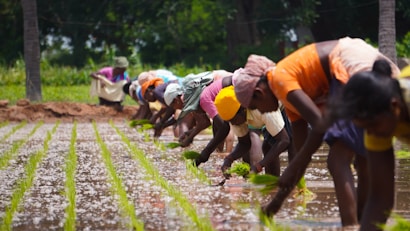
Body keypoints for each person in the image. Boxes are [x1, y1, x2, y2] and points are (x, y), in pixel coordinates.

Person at [232, 37, 400, 228]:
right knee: (360, 157)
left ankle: (350, 225)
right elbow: (302, 150)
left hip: (349, 64)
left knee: (338, 159)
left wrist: (290, 172)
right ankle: (361, 222)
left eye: (255, 107)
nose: (260, 112)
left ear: (259, 92)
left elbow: (319, 126)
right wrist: (277, 201)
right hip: (358, 61)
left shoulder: (279, 80)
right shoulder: (289, 98)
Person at [328, 61, 408, 231]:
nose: (369, 134)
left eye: (372, 126)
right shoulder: (377, 123)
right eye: (364, 128)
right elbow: (380, 197)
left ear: (394, 107)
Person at [214, 83, 295, 177]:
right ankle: (273, 184)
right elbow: (244, 143)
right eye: (229, 121)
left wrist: (259, 165)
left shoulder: (262, 108)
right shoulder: (236, 116)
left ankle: (295, 182)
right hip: (272, 104)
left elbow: (284, 140)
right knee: (267, 147)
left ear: (243, 110)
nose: (233, 124)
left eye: (233, 120)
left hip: (286, 98)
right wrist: (228, 159)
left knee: (292, 145)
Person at [164, 70, 235, 164]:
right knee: (218, 125)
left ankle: (227, 153)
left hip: (225, 81)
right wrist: (190, 136)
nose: (174, 109)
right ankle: (221, 156)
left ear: (176, 100)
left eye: (172, 106)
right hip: (225, 84)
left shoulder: (199, 99)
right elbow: (204, 122)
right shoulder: (193, 99)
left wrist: (205, 152)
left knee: (226, 123)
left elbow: (224, 126)